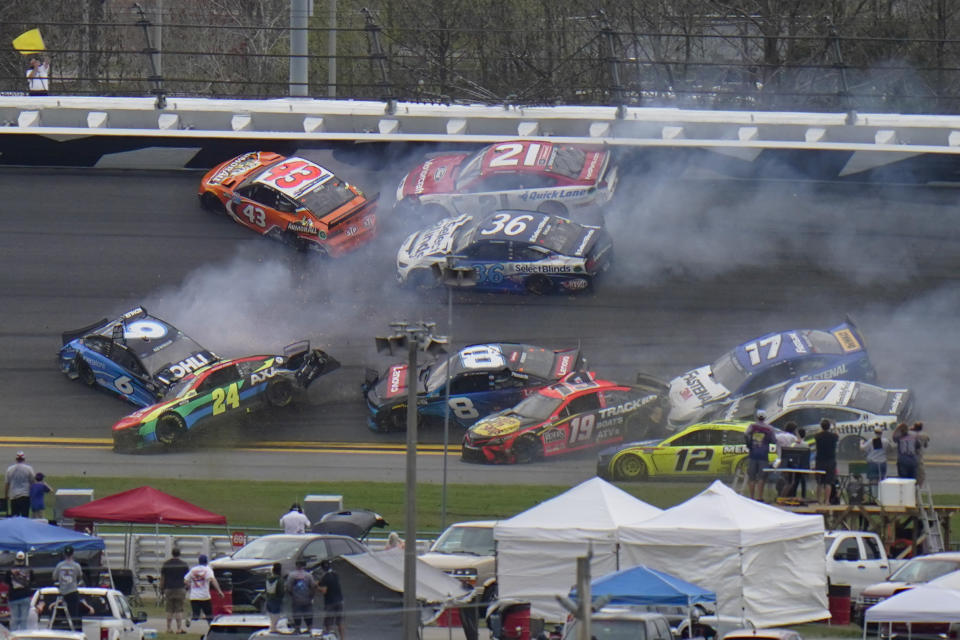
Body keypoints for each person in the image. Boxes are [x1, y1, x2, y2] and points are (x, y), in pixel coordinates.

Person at [744, 410, 776, 502]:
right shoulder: (769, 428)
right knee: (762, 477)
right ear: (765, 417)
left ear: (757, 417)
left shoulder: (752, 426)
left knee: (752, 477)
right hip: (764, 455)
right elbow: (774, 440)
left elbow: (746, 434)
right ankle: (760, 497)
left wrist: (749, 442)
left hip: (753, 454)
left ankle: (751, 497)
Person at [185, 554, 223, 626]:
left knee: (196, 615)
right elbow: (213, 580)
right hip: (205, 596)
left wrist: (189, 586)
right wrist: (219, 591)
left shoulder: (193, 570)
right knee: (209, 615)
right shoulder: (207, 569)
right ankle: (211, 627)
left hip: (194, 596)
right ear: (206, 561)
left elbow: (186, 580)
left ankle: (190, 618)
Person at [160, 548, 189, 633]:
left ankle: (168, 628)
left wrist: (162, 588)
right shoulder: (183, 565)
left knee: (169, 609)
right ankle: (179, 628)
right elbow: (187, 578)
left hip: (168, 588)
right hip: (180, 588)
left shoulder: (166, 564)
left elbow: (163, 578)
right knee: (179, 609)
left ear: (172, 554)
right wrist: (186, 588)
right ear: (179, 554)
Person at [52, 545, 84, 623]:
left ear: (64, 554)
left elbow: (54, 577)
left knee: (59, 613)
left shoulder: (59, 565)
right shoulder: (76, 566)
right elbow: (80, 575)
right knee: (74, 614)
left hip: (62, 592)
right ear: (73, 554)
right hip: (72, 592)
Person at [284, 558, 317, 634]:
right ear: (304, 566)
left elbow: (288, 587)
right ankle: (309, 629)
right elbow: (313, 586)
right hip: (307, 599)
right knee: (308, 614)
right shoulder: (309, 575)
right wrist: (311, 596)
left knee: (297, 614)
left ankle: (297, 629)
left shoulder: (291, 575)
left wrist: (292, 595)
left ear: (296, 565)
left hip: (296, 599)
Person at [317, 559, 344, 640]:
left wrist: (317, 587)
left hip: (330, 602)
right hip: (340, 601)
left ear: (322, 568)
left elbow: (324, 591)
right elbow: (331, 583)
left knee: (328, 622)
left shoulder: (325, 577)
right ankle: (343, 638)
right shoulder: (335, 574)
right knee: (340, 621)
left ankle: (329, 637)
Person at [814, 419, 839, 504]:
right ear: (829, 427)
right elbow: (837, 435)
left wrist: (821, 425)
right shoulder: (833, 436)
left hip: (820, 460)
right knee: (828, 482)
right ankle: (827, 500)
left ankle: (818, 500)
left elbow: (817, 433)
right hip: (830, 461)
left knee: (819, 482)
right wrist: (835, 426)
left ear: (821, 427)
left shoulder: (818, 436)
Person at [7, 551, 34, 630]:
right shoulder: (28, 569)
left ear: (16, 559)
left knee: (14, 620)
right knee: (23, 621)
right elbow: (32, 580)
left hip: (13, 597)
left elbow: (6, 581)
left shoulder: (10, 570)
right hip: (25, 596)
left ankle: (14, 637)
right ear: (24, 559)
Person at [5, 451, 36, 517]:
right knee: (25, 516)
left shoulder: (10, 469)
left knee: (15, 517)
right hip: (25, 496)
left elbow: (7, 483)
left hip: (14, 496)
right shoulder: (29, 468)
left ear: (16, 459)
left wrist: (6, 495)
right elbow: (33, 482)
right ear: (24, 459)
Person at [264, 562, 285, 632]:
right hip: (276, 599)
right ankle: (274, 628)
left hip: (269, 598)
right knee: (276, 613)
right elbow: (281, 591)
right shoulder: (279, 579)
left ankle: (272, 627)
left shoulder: (268, 578)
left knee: (271, 613)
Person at [912, 422, 930, 487]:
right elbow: (926, 445)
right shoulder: (924, 435)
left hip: (910, 457)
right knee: (921, 475)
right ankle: (918, 488)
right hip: (918, 458)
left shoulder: (910, 434)